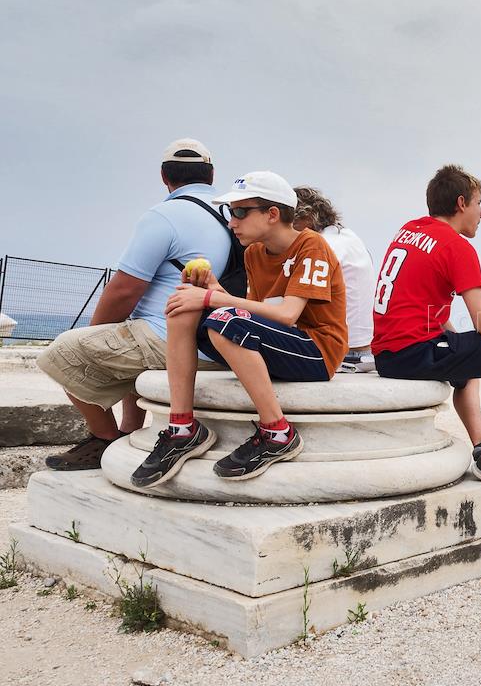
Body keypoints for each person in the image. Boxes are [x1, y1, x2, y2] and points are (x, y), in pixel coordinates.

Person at [130, 171, 348, 487]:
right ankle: (183, 429)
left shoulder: (311, 245)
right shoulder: (254, 254)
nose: (232, 222)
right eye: (231, 213)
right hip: (278, 343)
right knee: (182, 305)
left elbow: (287, 314)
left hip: (317, 351)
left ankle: (278, 433)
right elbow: (250, 309)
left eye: (240, 212)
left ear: (273, 214)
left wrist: (213, 298)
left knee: (223, 320)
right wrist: (212, 291)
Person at [37, 139, 233, 471]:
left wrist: (93, 334)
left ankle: (105, 441)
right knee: (131, 331)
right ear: (211, 175)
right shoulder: (232, 214)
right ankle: (130, 429)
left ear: (163, 176)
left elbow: (124, 290)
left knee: (61, 352)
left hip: (173, 339)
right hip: (219, 337)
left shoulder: (165, 215)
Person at [371, 164, 481, 491]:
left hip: (388, 352)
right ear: (461, 203)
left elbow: (423, 303)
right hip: (413, 354)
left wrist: (452, 335)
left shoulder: (409, 231)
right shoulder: (456, 247)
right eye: (479, 203)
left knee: (467, 359)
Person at [292, 186, 375, 359]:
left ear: (307, 218)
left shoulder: (322, 246)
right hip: (362, 347)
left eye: (290, 223)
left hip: (342, 351)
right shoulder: (348, 237)